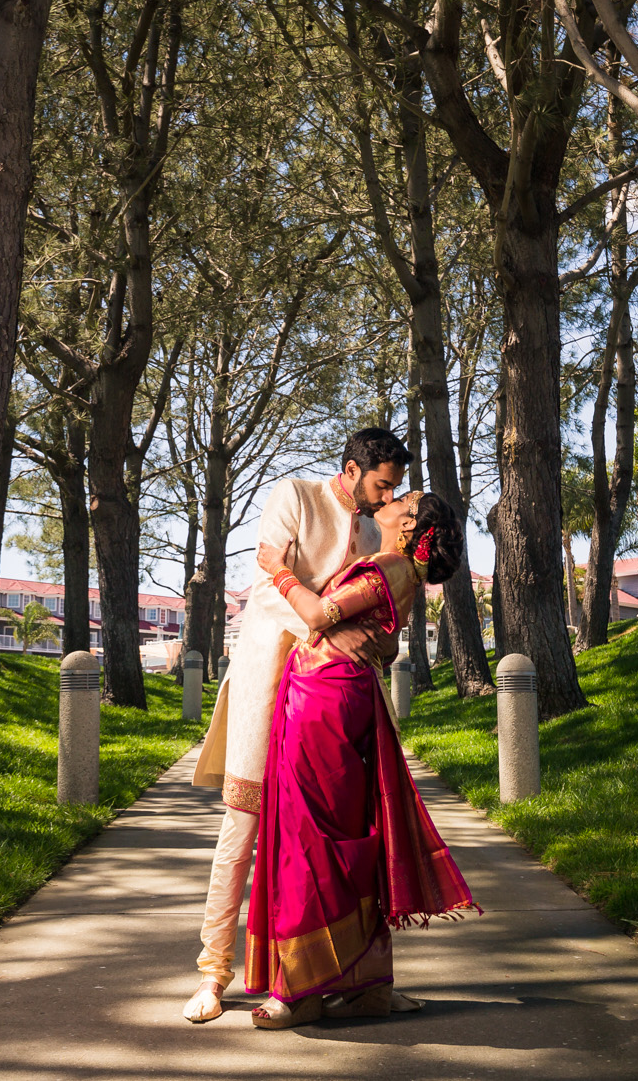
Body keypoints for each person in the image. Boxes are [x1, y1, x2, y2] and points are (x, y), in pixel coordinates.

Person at [182, 428, 409, 1024]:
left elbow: (376, 610)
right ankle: (213, 972)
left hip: (332, 699)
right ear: (352, 468)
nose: (387, 498)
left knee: (346, 835)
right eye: (382, 484)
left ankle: (355, 976)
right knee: (242, 826)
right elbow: (268, 578)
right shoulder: (296, 496)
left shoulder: (372, 530)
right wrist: (334, 626)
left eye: (395, 489)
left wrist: (370, 636)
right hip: (268, 679)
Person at [244, 489, 478, 1029]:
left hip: (324, 701)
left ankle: (301, 991)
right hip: (334, 696)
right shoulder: (398, 569)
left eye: (405, 498)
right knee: (341, 833)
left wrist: (278, 570)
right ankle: (365, 984)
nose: (392, 499)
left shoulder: (391, 567)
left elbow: (321, 613)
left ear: (412, 523)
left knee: (311, 841)